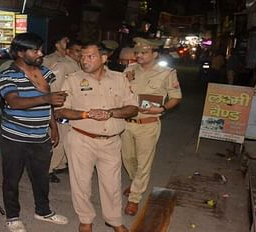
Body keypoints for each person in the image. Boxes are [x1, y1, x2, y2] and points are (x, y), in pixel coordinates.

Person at [55, 41, 138, 232]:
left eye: (90, 56)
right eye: (82, 56)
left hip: (111, 142)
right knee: (80, 183)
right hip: (81, 139)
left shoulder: (120, 79)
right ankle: (85, 219)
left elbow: (132, 108)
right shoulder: (73, 79)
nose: (84, 60)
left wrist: (110, 113)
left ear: (103, 58)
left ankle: (114, 220)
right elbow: (60, 111)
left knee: (112, 184)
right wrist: (85, 114)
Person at [0, 33, 68, 232]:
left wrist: (53, 127)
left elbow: (51, 105)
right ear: (20, 52)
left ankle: (43, 211)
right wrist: (46, 99)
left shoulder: (44, 72)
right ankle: (12, 216)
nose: (40, 53)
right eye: (35, 50)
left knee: (41, 177)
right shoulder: (8, 74)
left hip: (40, 136)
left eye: (40, 49)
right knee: (12, 178)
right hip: (14, 137)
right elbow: (14, 102)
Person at [121, 37, 182, 216]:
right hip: (127, 123)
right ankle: (135, 183)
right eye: (137, 52)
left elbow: (176, 97)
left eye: (144, 52)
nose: (139, 55)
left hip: (148, 125)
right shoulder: (129, 69)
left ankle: (134, 198)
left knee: (143, 164)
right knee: (128, 158)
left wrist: (162, 109)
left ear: (154, 54)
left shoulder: (167, 73)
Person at [48, 39, 83, 183]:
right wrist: (55, 109)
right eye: (76, 51)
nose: (80, 54)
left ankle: (59, 164)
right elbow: (53, 89)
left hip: (71, 110)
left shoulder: (78, 66)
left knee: (66, 139)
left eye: (81, 51)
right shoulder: (61, 66)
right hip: (61, 110)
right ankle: (48, 169)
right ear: (68, 52)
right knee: (59, 139)